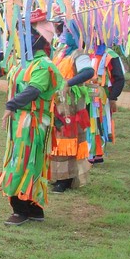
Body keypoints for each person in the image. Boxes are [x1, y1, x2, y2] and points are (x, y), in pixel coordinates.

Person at [0, 9, 63, 225]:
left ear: (37, 39)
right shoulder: (21, 60)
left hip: (33, 123)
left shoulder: (43, 65)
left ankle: (22, 209)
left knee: (25, 163)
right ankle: (33, 208)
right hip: (19, 124)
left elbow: (34, 89)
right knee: (22, 161)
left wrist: (11, 104)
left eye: (25, 35)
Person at [48, 20, 95, 193]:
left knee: (67, 139)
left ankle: (66, 179)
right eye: (64, 30)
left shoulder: (79, 54)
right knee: (56, 138)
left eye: (68, 30)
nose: (64, 33)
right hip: (57, 102)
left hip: (71, 105)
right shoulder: (61, 51)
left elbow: (88, 72)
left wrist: (69, 83)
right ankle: (57, 175)